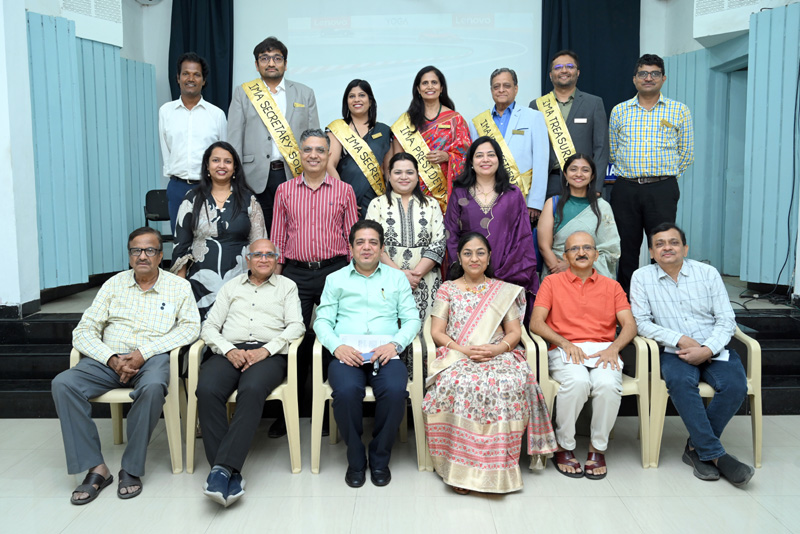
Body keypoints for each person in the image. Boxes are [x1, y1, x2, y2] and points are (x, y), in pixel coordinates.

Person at [51, 227, 200, 505]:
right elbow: (83, 330)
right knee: (64, 383)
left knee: (153, 387)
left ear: (160, 255)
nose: (142, 256)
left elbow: (191, 328)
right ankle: (96, 468)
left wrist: (144, 353)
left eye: (150, 250)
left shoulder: (179, 287)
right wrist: (110, 358)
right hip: (109, 359)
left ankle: (131, 468)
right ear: (130, 255)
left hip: (152, 358)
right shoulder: (113, 284)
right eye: (136, 250)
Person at [423, 232, 557, 494]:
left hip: (498, 354)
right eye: (468, 253)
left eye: (480, 253)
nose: (474, 258)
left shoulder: (502, 290)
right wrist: (462, 350)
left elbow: (514, 332)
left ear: (489, 257)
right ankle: (461, 470)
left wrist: (497, 349)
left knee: (506, 382)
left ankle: (499, 468)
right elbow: (437, 332)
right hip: (458, 354)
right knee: (463, 383)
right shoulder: (447, 289)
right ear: (459, 258)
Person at [630, 223, 754, 487]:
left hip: (714, 348)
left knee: (735, 385)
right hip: (674, 351)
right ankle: (715, 454)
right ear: (651, 252)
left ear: (685, 248)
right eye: (660, 244)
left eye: (673, 242)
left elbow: (726, 319)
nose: (667, 248)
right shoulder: (641, 277)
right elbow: (641, 323)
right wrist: (680, 339)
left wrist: (707, 349)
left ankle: (697, 449)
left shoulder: (707, 273)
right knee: (680, 382)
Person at [197, 238, 304, 507]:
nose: (264, 259)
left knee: (252, 388)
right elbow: (209, 327)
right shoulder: (231, 287)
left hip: (268, 353)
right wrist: (228, 349)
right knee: (207, 389)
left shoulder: (287, 286)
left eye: (269, 255)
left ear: (277, 259)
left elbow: (296, 326)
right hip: (229, 350)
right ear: (248, 259)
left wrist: (266, 350)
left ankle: (221, 470)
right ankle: (227, 471)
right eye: (258, 255)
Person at [314, 220, 421, 488]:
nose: (366, 247)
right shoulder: (335, 279)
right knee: (346, 392)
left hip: (385, 353)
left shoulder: (396, 278)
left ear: (382, 248)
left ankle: (380, 457)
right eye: (360, 242)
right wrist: (337, 347)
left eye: (373, 242)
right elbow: (322, 321)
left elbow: (412, 320)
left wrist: (395, 345)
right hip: (346, 354)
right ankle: (355, 457)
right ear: (350, 247)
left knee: (395, 392)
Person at [271, 128, 358, 437]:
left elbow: (353, 238)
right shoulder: (284, 191)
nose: (313, 155)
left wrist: (353, 277)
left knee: (334, 338)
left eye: (320, 150)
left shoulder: (344, 190)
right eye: (308, 149)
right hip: (295, 274)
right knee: (292, 341)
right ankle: (289, 412)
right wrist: (276, 279)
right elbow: (278, 237)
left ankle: (328, 413)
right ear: (300, 154)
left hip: (334, 272)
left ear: (328, 154)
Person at [530, 231, 636, 480]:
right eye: (574, 249)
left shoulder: (612, 286)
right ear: (565, 256)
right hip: (565, 349)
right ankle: (564, 445)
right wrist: (564, 342)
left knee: (607, 385)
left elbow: (630, 325)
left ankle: (597, 448)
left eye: (587, 248)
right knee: (577, 382)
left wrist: (614, 347)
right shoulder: (551, 283)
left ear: (596, 254)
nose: (581, 253)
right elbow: (536, 322)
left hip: (603, 350)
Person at [609, 54, 694, 296]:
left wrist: (664, 179)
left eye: (654, 73)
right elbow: (614, 151)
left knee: (663, 245)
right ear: (634, 79)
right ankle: (627, 299)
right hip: (626, 188)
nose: (649, 78)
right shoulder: (619, 111)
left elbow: (686, 153)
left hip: (662, 189)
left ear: (663, 78)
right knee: (626, 247)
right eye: (643, 73)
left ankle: (662, 297)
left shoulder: (679, 110)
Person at [227, 36, 320, 231]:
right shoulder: (243, 93)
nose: (271, 63)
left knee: (296, 229)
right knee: (260, 232)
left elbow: (314, 139)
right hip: (254, 177)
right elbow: (234, 138)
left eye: (277, 58)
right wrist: (235, 178)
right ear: (256, 64)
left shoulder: (305, 93)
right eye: (264, 58)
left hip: (293, 173)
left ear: (285, 64)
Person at [366, 153, 445, 374]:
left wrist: (416, 274)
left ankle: (424, 386)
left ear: (417, 176)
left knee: (425, 334)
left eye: (409, 172)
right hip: (387, 281)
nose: (404, 177)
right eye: (398, 172)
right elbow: (372, 244)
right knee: (392, 331)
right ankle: (393, 385)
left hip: (426, 281)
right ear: (388, 175)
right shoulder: (377, 204)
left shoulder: (431, 204)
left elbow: (439, 243)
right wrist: (401, 275)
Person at [171, 141, 267, 320]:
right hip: (201, 284)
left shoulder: (248, 199)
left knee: (237, 328)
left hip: (241, 281)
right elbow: (181, 246)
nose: (222, 165)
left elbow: (259, 243)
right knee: (204, 330)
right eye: (216, 160)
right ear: (207, 166)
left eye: (227, 161)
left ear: (235, 167)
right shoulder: (192, 198)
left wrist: (258, 282)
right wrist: (181, 288)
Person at [444, 137, 538, 317]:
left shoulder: (513, 193)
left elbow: (522, 235)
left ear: (499, 160)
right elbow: (451, 232)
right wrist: (467, 269)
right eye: (479, 155)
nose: (485, 160)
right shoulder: (460, 192)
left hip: (507, 275)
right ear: (471, 162)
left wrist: (502, 273)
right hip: (468, 275)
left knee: (504, 328)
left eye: (491, 155)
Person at [159, 52, 227, 233]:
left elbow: (224, 154)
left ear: (203, 81)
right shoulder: (166, 111)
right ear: (178, 78)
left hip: (209, 187)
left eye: (196, 74)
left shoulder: (216, 114)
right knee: (180, 241)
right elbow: (166, 148)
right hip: (177, 187)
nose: (191, 79)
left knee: (210, 239)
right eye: (186, 74)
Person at [469, 68, 549, 222]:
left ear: (516, 89)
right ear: (491, 90)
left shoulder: (533, 117)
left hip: (524, 197)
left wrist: (535, 203)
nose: (501, 90)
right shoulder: (477, 122)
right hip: (487, 198)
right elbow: (475, 163)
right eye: (496, 86)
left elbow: (541, 161)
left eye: (506, 85)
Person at [530, 50, 608, 199]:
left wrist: (596, 186)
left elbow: (601, 148)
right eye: (558, 67)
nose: (564, 70)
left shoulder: (594, 103)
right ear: (550, 75)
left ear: (578, 72)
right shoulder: (537, 105)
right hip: (548, 182)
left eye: (570, 66)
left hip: (583, 181)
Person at [391, 66, 470, 213]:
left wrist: (447, 157)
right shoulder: (405, 122)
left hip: (447, 194)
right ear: (418, 89)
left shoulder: (455, 119)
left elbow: (468, 157)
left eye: (434, 82)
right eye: (425, 83)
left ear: (441, 88)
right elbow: (398, 160)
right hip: (413, 192)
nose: (430, 86)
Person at [537, 153, 620, 279]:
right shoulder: (553, 204)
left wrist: (571, 267)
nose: (579, 174)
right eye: (573, 169)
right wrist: (559, 271)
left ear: (592, 176)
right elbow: (544, 246)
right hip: (557, 276)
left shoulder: (602, 207)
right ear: (565, 174)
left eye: (585, 170)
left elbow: (611, 251)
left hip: (593, 279)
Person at [327, 79, 394, 218]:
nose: (356, 99)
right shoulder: (337, 129)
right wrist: (343, 196)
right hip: (345, 199)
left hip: (376, 200)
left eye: (362, 95)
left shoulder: (384, 130)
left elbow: (389, 170)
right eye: (352, 96)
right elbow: (329, 165)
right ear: (346, 102)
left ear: (370, 101)